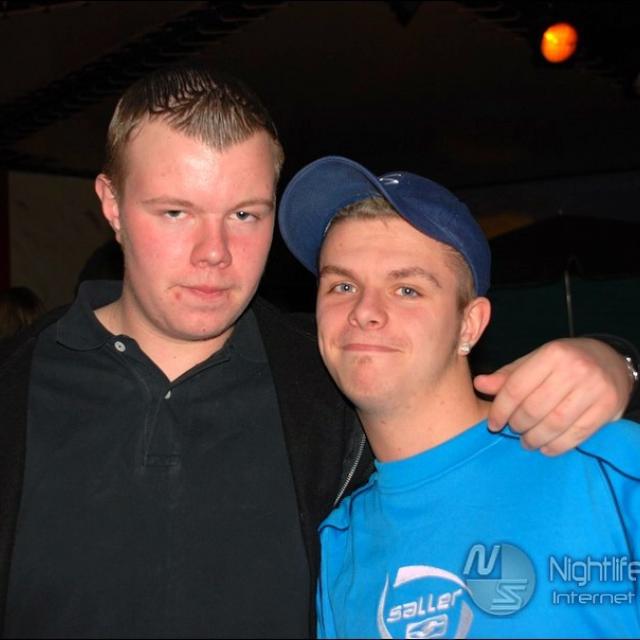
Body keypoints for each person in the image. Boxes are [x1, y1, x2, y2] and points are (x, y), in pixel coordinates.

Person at [0, 66, 637, 639]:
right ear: (111, 205)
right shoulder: (15, 383)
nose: (213, 253)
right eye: (175, 212)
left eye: (245, 215)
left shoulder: (319, 383)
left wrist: (619, 362)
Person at [277, 156, 640, 639]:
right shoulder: (340, 540)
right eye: (343, 285)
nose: (364, 311)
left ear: (469, 325)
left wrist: (622, 361)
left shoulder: (603, 464)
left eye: (407, 289)